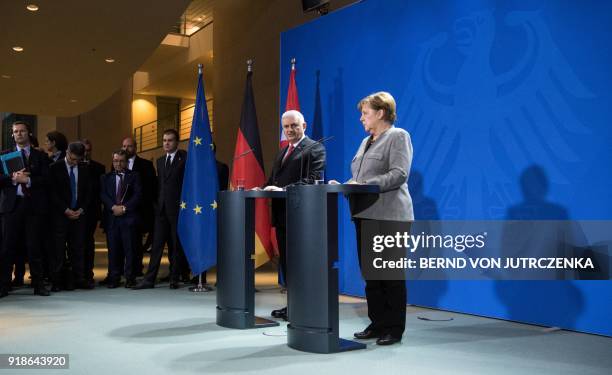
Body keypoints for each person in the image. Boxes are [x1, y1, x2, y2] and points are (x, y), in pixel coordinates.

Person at [343, 91, 414, 346]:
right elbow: (360, 175)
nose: (361, 118)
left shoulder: (398, 136)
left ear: (381, 113)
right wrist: (348, 184)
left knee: (389, 275)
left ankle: (394, 328)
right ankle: (378, 323)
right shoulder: (365, 142)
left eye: (365, 113)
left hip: (390, 216)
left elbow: (399, 174)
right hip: (364, 215)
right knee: (371, 275)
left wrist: (364, 184)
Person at [263, 110, 326, 320]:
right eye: (286, 126)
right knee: (288, 264)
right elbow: (274, 179)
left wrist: (282, 191)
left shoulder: (315, 148)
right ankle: (292, 305)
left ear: (304, 126)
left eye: (294, 126)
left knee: (300, 263)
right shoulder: (282, 152)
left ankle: (303, 307)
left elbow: (313, 179)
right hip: (282, 216)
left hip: (302, 217)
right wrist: (259, 188)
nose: (289, 130)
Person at [0, 121, 51, 298]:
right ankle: (4, 285)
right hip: (12, 207)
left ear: (28, 133)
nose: (19, 134)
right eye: (16, 132)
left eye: (22, 131)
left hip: (34, 207)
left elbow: (47, 180)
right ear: (12, 135)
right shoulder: (4, 155)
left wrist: (28, 181)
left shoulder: (40, 156)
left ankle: (38, 285)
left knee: (34, 246)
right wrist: (13, 178)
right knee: (7, 247)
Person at [133, 129, 188, 290]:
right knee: (156, 245)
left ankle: (174, 277)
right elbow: (160, 185)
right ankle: (149, 279)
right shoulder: (160, 160)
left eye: (170, 140)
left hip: (178, 209)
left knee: (176, 245)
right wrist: (157, 205)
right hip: (161, 209)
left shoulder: (184, 158)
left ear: (177, 142)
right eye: (164, 140)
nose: (166, 143)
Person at [48, 142, 93, 291]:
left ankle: (79, 279)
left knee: (78, 248)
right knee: (58, 249)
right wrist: (65, 210)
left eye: (77, 160)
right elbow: (52, 193)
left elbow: (88, 193)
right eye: (72, 159)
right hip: (60, 215)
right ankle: (57, 281)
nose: (74, 162)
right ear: (66, 152)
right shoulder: (54, 168)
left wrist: (81, 210)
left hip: (79, 214)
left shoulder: (85, 168)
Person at [100, 150, 142, 288]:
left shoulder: (134, 176)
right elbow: (103, 195)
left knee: (130, 249)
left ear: (126, 161)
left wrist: (124, 208)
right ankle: (114, 277)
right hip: (112, 218)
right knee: (113, 250)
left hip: (128, 218)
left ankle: (130, 278)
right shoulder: (105, 178)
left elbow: (138, 195)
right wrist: (113, 207)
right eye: (115, 161)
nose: (118, 163)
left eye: (121, 161)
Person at [121, 137, 157, 277]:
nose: (125, 149)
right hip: (122, 210)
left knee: (136, 242)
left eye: (129, 146)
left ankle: (136, 269)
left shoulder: (146, 165)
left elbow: (150, 188)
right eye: (124, 146)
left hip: (139, 210)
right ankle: (124, 270)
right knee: (123, 242)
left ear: (135, 148)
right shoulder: (117, 164)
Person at [82, 139, 106, 287]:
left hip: (91, 212)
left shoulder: (99, 168)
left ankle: (88, 274)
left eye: (89, 150)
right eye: (84, 150)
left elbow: (100, 192)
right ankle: (78, 273)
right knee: (77, 244)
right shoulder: (74, 166)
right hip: (76, 211)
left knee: (88, 243)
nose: (86, 152)